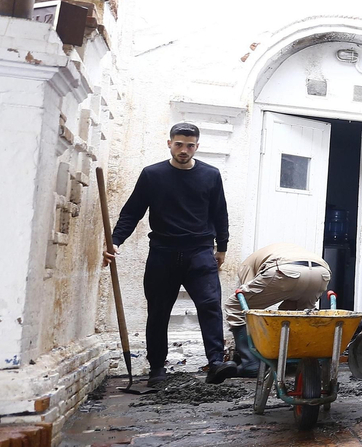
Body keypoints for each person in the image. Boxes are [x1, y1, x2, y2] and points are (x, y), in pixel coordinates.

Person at [104, 122, 235, 385]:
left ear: (197, 146)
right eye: (179, 144)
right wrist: (115, 241)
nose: (184, 150)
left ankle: (216, 363)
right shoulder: (152, 175)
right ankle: (156, 370)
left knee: (210, 306)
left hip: (199, 251)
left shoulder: (211, 175)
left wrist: (222, 247)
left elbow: (220, 213)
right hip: (163, 252)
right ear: (169, 144)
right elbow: (132, 212)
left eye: (189, 145)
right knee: (159, 311)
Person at [224, 244, 331, 377]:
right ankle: (294, 360)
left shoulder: (246, 265)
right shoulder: (283, 250)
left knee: (234, 305)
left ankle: (250, 363)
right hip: (321, 273)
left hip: (284, 270)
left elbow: (247, 309)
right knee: (296, 315)